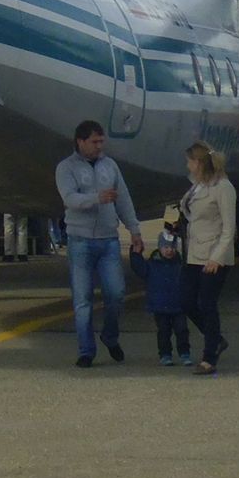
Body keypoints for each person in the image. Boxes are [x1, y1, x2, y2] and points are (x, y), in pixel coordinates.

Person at [55, 120, 139, 368]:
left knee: (116, 293)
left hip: (108, 239)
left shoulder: (109, 165)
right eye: (94, 142)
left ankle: (110, 335)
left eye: (101, 142)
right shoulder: (66, 168)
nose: (99, 146)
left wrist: (133, 229)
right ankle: (86, 350)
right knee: (82, 299)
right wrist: (96, 198)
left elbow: (123, 198)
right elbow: (70, 199)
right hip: (80, 239)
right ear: (80, 142)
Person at [179, 142, 236, 374]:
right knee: (186, 300)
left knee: (207, 303)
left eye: (190, 161)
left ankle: (209, 356)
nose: (187, 165)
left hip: (213, 255)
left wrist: (217, 257)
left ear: (199, 162)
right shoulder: (197, 187)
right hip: (194, 253)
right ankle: (216, 338)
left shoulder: (223, 188)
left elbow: (229, 228)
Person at [128, 226, 191, 366]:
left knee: (182, 330)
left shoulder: (180, 265)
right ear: (160, 248)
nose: (169, 250)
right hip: (160, 306)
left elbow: (189, 282)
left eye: (172, 247)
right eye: (166, 247)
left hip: (178, 305)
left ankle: (185, 352)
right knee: (163, 331)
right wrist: (135, 254)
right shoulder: (152, 265)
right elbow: (139, 268)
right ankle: (165, 354)